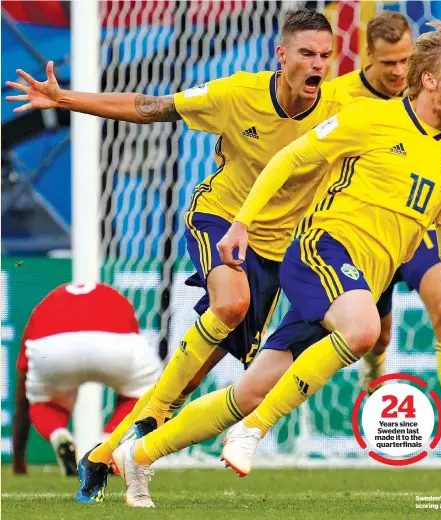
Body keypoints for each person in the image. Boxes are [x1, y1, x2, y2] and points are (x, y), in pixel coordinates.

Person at [110, 20, 441, 503]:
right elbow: (289, 160)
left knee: (251, 391)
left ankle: (139, 455)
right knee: (363, 331)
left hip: (357, 281)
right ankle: (253, 432)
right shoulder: (370, 118)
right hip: (320, 251)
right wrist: (242, 222)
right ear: (429, 80)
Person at [7, 9, 352, 504]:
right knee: (230, 306)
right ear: (282, 55)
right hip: (219, 219)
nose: (319, 64)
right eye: (306, 54)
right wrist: (65, 99)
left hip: (279, 250)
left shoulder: (341, 108)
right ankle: (149, 418)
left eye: (326, 55)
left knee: (197, 375)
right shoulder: (236, 95)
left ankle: (108, 454)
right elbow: (147, 105)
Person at [330, 10, 441, 473]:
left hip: (423, 231)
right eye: (388, 62)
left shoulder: (435, 98)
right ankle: (375, 382)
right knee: (377, 336)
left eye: (405, 60)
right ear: (368, 57)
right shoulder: (341, 99)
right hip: (365, 232)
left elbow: (440, 164)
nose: (398, 72)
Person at [11, 282, 160, 491]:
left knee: (44, 402)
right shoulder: (112, 296)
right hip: (116, 344)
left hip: (52, 348)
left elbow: (21, 397)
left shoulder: (45, 306)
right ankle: (106, 445)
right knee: (144, 393)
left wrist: (18, 461)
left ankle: (57, 434)